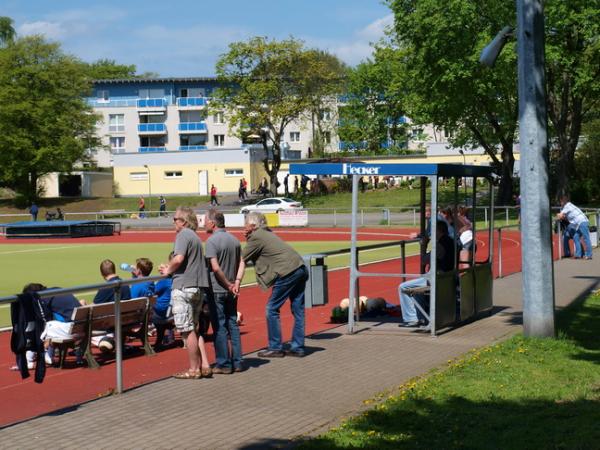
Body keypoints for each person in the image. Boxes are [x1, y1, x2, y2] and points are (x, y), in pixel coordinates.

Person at [238, 212, 308, 357]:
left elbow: (242, 258)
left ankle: (275, 347)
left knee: (271, 308)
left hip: (288, 271)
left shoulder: (257, 236)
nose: (243, 226)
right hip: (300, 267)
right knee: (298, 309)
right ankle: (298, 347)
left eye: (245, 224)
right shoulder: (266, 233)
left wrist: (236, 281)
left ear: (252, 225)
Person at [159, 206, 212, 379]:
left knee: (186, 330)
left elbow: (179, 258)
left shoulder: (182, 235)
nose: (173, 222)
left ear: (183, 221)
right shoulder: (196, 237)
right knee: (193, 328)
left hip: (184, 286)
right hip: (197, 286)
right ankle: (200, 366)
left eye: (175, 219)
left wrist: (168, 270)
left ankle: (194, 369)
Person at [204, 209, 243, 374]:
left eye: (205, 220)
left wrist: (227, 283)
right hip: (231, 289)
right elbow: (242, 262)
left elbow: (215, 267)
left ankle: (224, 363)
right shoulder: (235, 240)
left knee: (219, 326)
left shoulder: (211, 242)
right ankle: (238, 362)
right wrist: (237, 282)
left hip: (218, 289)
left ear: (212, 223)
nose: (204, 223)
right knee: (232, 324)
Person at [398, 220, 455, 327]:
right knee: (416, 290)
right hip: (446, 277)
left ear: (439, 231)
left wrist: (424, 245)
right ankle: (421, 318)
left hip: (437, 278)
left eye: (433, 231)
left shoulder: (441, 245)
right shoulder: (450, 241)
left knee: (402, 287)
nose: (431, 234)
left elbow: (424, 260)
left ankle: (412, 319)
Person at [92, 259, 132, 352]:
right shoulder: (125, 284)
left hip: (111, 322)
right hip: (126, 319)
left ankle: (106, 340)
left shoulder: (105, 287)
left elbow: (94, 307)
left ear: (102, 274)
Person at [153, 252, 175, 350]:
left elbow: (154, 291)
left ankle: (159, 340)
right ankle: (169, 333)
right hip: (173, 310)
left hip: (162, 312)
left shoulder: (164, 281)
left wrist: (162, 276)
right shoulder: (178, 279)